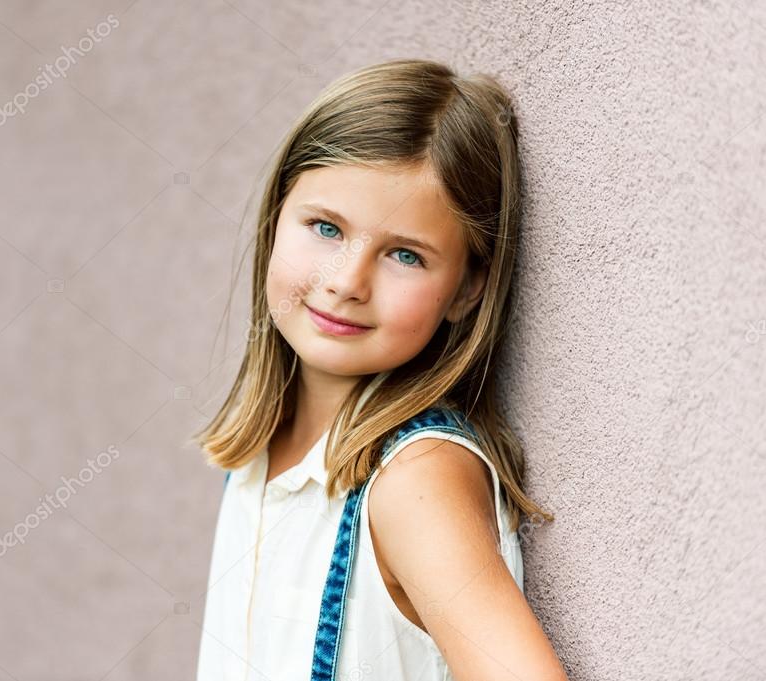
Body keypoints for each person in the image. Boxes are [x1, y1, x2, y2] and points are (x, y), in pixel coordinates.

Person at [191, 58, 569, 681]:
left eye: (404, 255)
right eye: (324, 227)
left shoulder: (415, 481)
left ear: (467, 289)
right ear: (274, 220)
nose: (346, 283)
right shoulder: (262, 455)